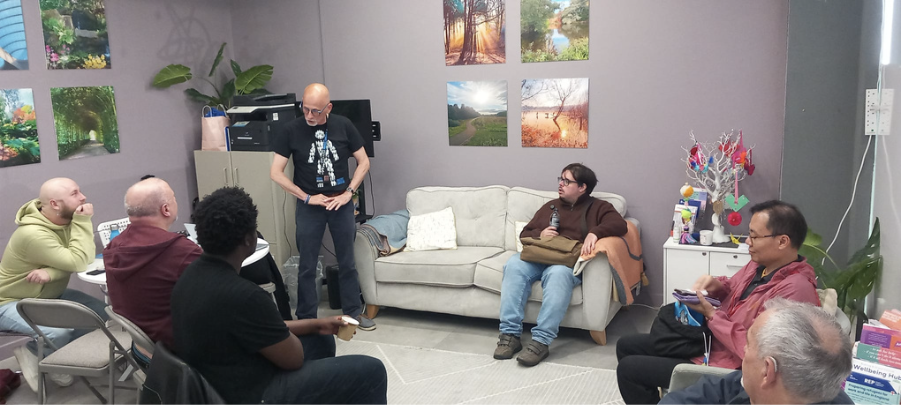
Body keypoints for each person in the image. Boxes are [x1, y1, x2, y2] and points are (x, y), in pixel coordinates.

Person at [171, 187, 387, 405]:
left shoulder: (190, 275)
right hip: (252, 394)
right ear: (248, 239)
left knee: (321, 338)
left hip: (218, 379)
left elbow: (260, 330)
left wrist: (317, 324)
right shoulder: (244, 295)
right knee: (372, 370)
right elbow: (293, 358)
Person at [616, 200, 821, 405]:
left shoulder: (795, 291)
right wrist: (717, 285)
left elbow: (760, 352)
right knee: (626, 345)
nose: (748, 241)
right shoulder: (759, 266)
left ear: (782, 241)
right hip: (712, 346)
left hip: (730, 367)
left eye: (754, 236)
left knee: (629, 370)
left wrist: (712, 315)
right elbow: (733, 288)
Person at [494, 163, 628, 367]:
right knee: (513, 264)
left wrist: (595, 232)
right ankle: (510, 335)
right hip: (539, 256)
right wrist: (541, 234)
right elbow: (525, 234)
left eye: (567, 181)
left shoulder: (599, 207)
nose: (561, 184)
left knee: (558, 275)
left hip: (566, 262)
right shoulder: (550, 206)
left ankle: (541, 341)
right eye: (561, 179)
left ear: (582, 187)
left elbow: (621, 225)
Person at [270, 83, 374, 329]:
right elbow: (276, 173)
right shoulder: (290, 130)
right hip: (310, 206)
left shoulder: (343, 125)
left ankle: (352, 314)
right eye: (304, 109)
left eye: (315, 111)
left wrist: (349, 193)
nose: (309, 116)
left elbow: (363, 162)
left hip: (341, 202)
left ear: (328, 107)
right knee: (307, 264)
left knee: (347, 261)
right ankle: (306, 319)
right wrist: (306, 197)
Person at [0, 178, 107, 391]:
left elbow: (82, 259)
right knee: (57, 333)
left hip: (49, 294)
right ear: (55, 204)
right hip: (9, 302)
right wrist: (84, 221)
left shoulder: (65, 222)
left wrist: (51, 272)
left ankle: (52, 356)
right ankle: (32, 352)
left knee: (104, 316)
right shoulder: (33, 233)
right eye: (74, 193)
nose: (83, 197)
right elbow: (78, 261)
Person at [659, 298, 853, 405]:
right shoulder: (814, 391)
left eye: (749, 343)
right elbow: (710, 391)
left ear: (767, 371)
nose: (743, 349)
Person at [103, 178, 201, 367]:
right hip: (179, 354)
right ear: (166, 209)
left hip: (141, 349)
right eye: (173, 198)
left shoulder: (114, 247)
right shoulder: (182, 251)